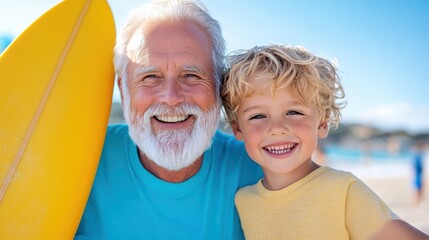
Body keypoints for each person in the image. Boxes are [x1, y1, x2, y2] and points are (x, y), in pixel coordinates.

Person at [74, 0, 262, 239]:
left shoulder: (261, 169)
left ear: (218, 86)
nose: (171, 98)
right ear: (124, 91)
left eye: (191, 75)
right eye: (151, 76)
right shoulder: (80, 161)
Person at [221, 44, 429, 239]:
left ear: (322, 123)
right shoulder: (243, 200)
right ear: (238, 128)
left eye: (294, 112)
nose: (276, 128)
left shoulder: (343, 191)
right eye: (258, 116)